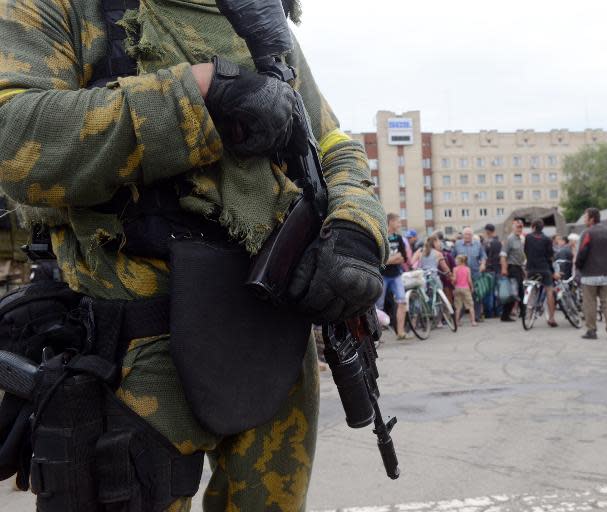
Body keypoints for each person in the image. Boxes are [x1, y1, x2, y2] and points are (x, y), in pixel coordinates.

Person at [0, 0, 388, 509]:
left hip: (271, 338)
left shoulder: (258, 19)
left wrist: (357, 226)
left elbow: (332, 142)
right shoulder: (61, 7)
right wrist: (203, 92)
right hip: (131, 360)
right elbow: (16, 139)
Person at [576, 208, 607, 340]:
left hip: (589, 274)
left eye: (585, 217)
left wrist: (578, 266)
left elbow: (582, 252)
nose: (584, 219)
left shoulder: (587, 233)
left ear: (592, 219)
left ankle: (591, 331)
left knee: (590, 303)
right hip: (606, 273)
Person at [378, 213, 410, 340]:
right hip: (382, 275)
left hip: (396, 275)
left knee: (402, 301)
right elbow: (378, 260)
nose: (400, 224)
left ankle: (400, 332)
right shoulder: (381, 237)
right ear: (390, 222)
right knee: (378, 306)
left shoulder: (399, 238)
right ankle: (377, 337)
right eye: (398, 222)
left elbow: (404, 258)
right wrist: (393, 258)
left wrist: (388, 260)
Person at [524, 219, 559, 327]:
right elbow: (550, 256)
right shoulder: (547, 239)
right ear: (542, 228)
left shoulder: (528, 237)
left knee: (532, 290)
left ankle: (529, 315)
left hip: (531, 269)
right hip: (544, 269)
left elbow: (525, 251)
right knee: (549, 290)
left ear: (533, 226)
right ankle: (552, 318)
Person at [452, 227, 487, 319]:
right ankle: (459, 317)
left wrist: (483, 264)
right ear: (463, 235)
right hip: (461, 275)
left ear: (472, 235)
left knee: (476, 295)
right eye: (465, 234)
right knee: (462, 295)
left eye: (469, 234)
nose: (467, 236)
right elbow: (452, 257)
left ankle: (477, 316)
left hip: (475, 273)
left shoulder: (478, 244)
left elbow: (483, 256)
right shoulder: (457, 244)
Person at [500, 220, 526, 321]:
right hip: (512, 267)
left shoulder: (520, 239)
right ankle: (522, 313)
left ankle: (506, 315)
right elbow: (503, 255)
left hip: (518, 267)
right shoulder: (510, 239)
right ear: (513, 227)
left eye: (521, 227)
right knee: (517, 291)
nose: (519, 229)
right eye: (518, 227)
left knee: (515, 292)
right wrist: (504, 269)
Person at [483, 223, 503, 318]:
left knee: (489, 292)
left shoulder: (486, 243)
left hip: (489, 269)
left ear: (487, 231)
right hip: (498, 268)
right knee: (498, 291)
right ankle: (498, 311)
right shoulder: (499, 242)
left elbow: (484, 257)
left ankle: (489, 313)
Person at [453, 255, 477, 327]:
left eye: (456, 260)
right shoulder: (467, 269)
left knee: (458, 307)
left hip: (457, 288)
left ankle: (457, 322)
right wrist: (472, 287)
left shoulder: (455, 269)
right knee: (470, 305)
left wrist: (453, 284)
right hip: (466, 288)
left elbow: (454, 280)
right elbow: (469, 279)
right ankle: (473, 321)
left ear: (460, 261)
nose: (455, 262)